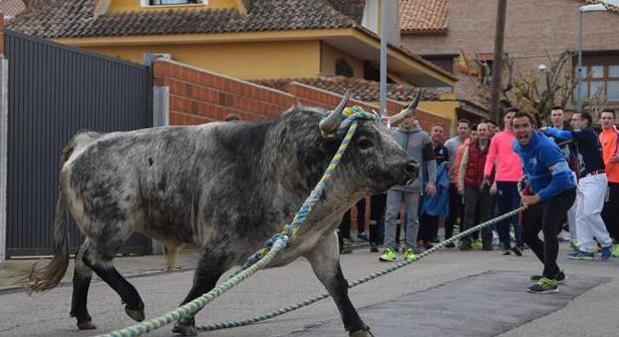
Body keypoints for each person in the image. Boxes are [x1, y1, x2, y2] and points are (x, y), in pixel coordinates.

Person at [512, 112, 576, 294]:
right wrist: (528, 184)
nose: (521, 130)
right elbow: (528, 165)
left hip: (563, 192)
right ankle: (555, 271)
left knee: (548, 227)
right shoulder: (516, 145)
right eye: (517, 126)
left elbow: (563, 180)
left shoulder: (546, 147)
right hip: (542, 192)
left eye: (525, 126)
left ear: (533, 127)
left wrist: (536, 198)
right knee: (528, 234)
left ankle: (549, 281)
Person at [544, 112, 613, 261]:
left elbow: (563, 134)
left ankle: (606, 242)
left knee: (590, 213)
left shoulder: (587, 133)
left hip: (595, 177)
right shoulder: (581, 137)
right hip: (584, 179)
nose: (573, 122)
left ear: (585, 121)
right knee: (580, 215)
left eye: (576, 120)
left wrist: (547, 130)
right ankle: (585, 248)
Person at [380, 111, 437, 262]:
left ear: (414, 118)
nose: (406, 120)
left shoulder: (424, 137)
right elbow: (386, 158)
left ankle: (410, 248)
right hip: (395, 183)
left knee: (412, 217)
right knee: (391, 215)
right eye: (404, 117)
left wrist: (431, 181)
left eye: (409, 117)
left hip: (414, 184)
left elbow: (431, 161)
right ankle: (389, 249)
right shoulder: (392, 135)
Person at [484, 108, 524, 256]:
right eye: (508, 117)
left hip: (520, 180)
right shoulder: (498, 137)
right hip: (502, 180)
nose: (510, 120)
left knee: (518, 213)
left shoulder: (522, 136)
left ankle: (520, 243)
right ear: (504, 120)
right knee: (503, 214)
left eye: (513, 117)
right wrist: (487, 174)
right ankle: (505, 243)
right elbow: (490, 157)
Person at [457, 123, 493, 251]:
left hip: (486, 185)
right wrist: (460, 184)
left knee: (486, 214)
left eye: (484, 130)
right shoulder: (470, 147)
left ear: (489, 132)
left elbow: (497, 165)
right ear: (476, 132)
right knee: (469, 212)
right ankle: (466, 240)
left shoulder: (493, 147)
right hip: (470, 184)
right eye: (480, 130)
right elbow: (463, 166)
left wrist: (494, 184)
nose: (482, 132)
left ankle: (487, 241)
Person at [548, 107, 580, 249]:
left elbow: (577, 155)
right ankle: (552, 234)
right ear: (551, 117)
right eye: (554, 115)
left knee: (572, 208)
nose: (557, 117)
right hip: (551, 175)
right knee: (551, 206)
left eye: (559, 115)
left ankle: (575, 240)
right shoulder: (545, 136)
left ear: (563, 116)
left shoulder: (569, 134)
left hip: (569, 173)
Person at [419, 125, 450, 249]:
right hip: (423, 183)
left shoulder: (444, 149)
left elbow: (446, 165)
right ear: (430, 132)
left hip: (436, 186)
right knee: (422, 212)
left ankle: (428, 238)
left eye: (440, 131)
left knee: (433, 213)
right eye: (435, 130)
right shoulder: (424, 146)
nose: (438, 133)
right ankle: (419, 238)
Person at [444, 119, 471, 247]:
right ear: (457, 128)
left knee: (465, 212)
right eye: (461, 128)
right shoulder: (450, 144)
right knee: (451, 212)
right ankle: (448, 239)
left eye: (465, 128)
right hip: (452, 182)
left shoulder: (471, 143)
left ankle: (463, 238)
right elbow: (444, 162)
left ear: (469, 130)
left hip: (466, 183)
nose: (463, 130)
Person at [599, 109, 619, 257]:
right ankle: (606, 240)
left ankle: (616, 242)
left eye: (609, 118)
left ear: (614, 120)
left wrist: (601, 171)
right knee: (602, 211)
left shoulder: (616, 135)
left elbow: (612, 159)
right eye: (604, 118)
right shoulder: (600, 135)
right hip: (602, 179)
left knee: (612, 211)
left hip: (614, 180)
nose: (606, 120)